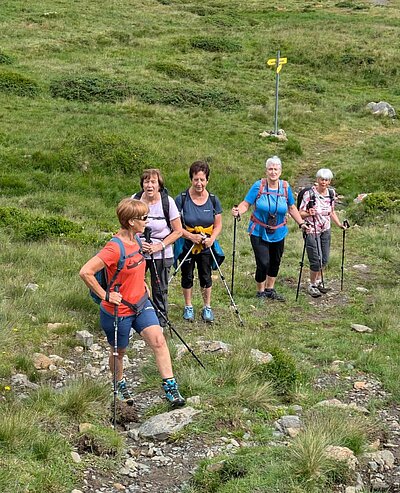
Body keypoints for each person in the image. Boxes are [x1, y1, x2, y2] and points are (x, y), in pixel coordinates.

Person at [79, 198, 185, 407]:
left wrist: (143, 283)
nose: (147, 221)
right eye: (143, 218)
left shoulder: (137, 239)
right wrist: (105, 295)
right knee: (119, 351)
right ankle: (119, 384)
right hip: (118, 310)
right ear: (130, 222)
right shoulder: (114, 248)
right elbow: (85, 271)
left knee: (159, 341)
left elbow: (135, 267)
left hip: (141, 303)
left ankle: (170, 387)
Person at [232, 156, 309, 301]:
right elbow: (246, 203)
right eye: (270, 169)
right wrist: (238, 211)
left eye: (276, 169)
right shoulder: (258, 186)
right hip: (258, 230)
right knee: (263, 262)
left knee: (275, 261)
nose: (273, 172)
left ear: (280, 171)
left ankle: (270, 289)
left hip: (279, 231)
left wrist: (302, 223)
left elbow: (291, 207)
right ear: (266, 171)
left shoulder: (285, 187)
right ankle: (260, 291)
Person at [132, 169, 182, 327]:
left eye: (153, 182)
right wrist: (139, 242)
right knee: (134, 285)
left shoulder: (168, 202)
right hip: (137, 251)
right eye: (146, 182)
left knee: (159, 288)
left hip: (162, 252)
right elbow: (126, 225)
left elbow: (178, 231)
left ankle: (161, 320)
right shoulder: (135, 200)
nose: (149, 185)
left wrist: (158, 246)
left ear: (159, 185)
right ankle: (136, 318)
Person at [175, 161, 222, 323]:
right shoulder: (181, 199)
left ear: (207, 180)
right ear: (191, 179)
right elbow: (175, 226)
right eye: (196, 179)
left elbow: (218, 224)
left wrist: (212, 239)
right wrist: (190, 236)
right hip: (187, 244)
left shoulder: (214, 200)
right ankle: (188, 306)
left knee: (206, 275)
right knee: (187, 275)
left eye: (202, 180)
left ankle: (207, 306)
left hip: (205, 245)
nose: (199, 183)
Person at [298, 168, 348, 298]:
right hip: (311, 229)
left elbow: (331, 211)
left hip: (325, 229)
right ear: (317, 180)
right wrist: (309, 213)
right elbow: (299, 214)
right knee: (316, 259)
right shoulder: (309, 194)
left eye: (326, 180)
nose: (323, 182)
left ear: (329, 181)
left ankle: (319, 282)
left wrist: (339, 225)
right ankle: (312, 285)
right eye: (321, 179)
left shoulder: (331, 193)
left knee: (324, 258)